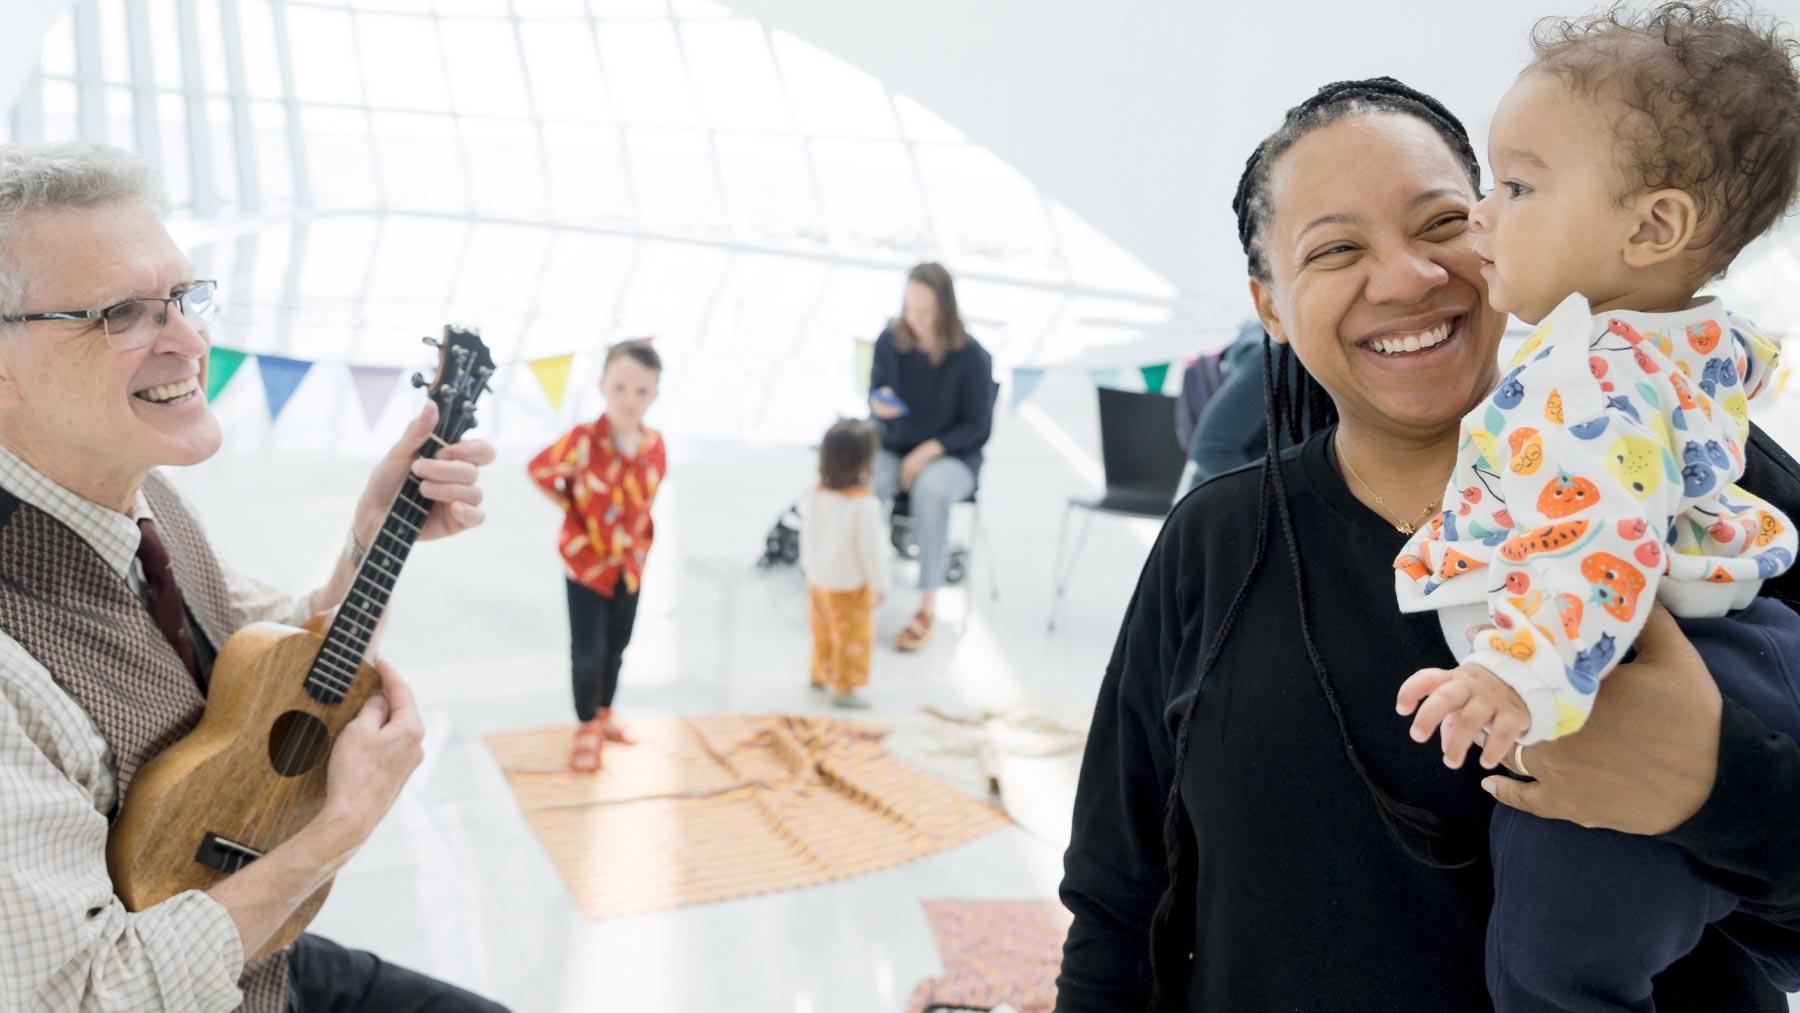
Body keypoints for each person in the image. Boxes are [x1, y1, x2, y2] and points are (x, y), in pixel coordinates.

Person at [1055, 77, 1800, 1013]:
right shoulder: (1217, 541)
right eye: (1335, 249)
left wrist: (1718, 784)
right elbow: (1120, 904)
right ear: (1271, 306)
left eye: (1443, 223)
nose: (1407, 278)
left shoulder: (1712, 490)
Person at [0, 142, 503, 1011]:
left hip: (262, 961)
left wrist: (371, 537)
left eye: (183, 298)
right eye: (124, 312)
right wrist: (340, 826)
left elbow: (272, 650)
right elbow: (80, 994)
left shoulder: (135, 493)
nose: (192, 340)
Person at [1390, 7, 1800, 1008]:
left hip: (1636, 669)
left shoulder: (1587, 377)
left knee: (1550, 968)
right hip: (1763, 645)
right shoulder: (1688, 344)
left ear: (1653, 226)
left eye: (1518, 186)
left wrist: (1516, 676)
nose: (1483, 215)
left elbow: (1598, 545)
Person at [526, 339, 665, 773]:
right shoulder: (583, 440)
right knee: (587, 650)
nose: (629, 399)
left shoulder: (655, 444)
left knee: (618, 646)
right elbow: (540, 470)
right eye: (620, 387)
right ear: (603, 385)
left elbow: (647, 496)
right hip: (586, 564)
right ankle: (585, 723)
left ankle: (605, 711)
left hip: (631, 565)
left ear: (655, 394)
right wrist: (574, 507)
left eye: (641, 391)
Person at [868, 263, 995, 651]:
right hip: (896, 446)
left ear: (945, 310)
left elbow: (977, 427)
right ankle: (864, 584)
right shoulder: (890, 341)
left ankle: (927, 602)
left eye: (925, 311)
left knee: (931, 490)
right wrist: (877, 404)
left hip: (953, 455)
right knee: (864, 482)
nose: (915, 319)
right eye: (910, 307)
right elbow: (875, 394)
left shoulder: (973, 357)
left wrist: (928, 451)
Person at [800, 418, 890, 709]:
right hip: (850, 586)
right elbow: (871, 551)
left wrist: (809, 569)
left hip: (818, 581)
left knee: (823, 632)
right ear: (865, 464)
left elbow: (808, 536)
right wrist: (879, 585)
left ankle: (820, 673)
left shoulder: (817, 495)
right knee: (852, 638)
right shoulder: (864, 505)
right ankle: (845, 687)